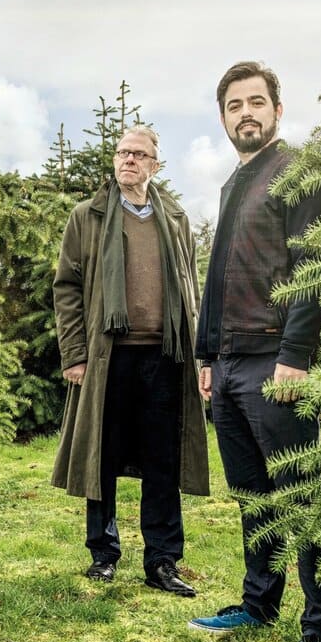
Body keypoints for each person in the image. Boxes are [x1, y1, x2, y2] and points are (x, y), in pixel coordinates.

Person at [186, 61, 321, 642]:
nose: (245, 113)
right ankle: (258, 605)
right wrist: (207, 354)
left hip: (276, 363)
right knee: (253, 496)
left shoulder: (302, 172)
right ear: (223, 118)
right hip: (228, 365)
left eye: (255, 102)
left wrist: (295, 356)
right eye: (234, 105)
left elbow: (315, 268)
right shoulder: (234, 183)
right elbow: (218, 275)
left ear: (277, 109)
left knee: (300, 497)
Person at [51, 124, 210, 595]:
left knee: (163, 461)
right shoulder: (88, 216)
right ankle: (103, 554)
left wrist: (201, 354)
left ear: (155, 165)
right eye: (123, 153)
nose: (128, 160)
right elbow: (67, 289)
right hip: (108, 358)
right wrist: (74, 354)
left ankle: (162, 561)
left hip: (165, 357)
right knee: (101, 456)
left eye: (139, 154)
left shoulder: (175, 218)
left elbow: (192, 289)